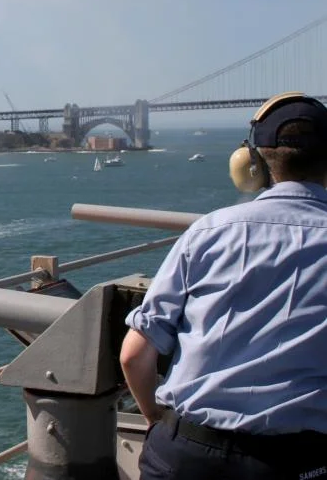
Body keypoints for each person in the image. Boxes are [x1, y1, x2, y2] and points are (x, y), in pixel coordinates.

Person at [119, 92, 327, 479]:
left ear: (253, 166)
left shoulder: (208, 232)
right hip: (296, 462)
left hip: (181, 454)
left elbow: (133, 355)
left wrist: (154, 420)